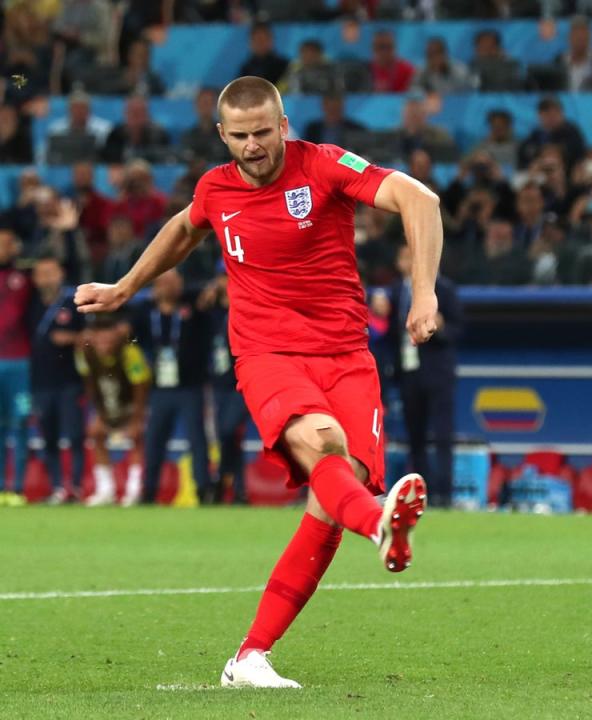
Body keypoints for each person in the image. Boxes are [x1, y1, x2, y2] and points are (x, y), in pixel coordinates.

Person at [73, 76, 439, 688]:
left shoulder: (323, 167)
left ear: (283, 123)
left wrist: (423, 291)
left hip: (347, 353)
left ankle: (249, 656)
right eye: (239, 136)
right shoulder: (216, 187)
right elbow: (184, 229)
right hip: (266, 352)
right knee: (323, 444)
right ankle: (378, 521)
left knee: (329, 500)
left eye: (263, 132)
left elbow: (420, 201)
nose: (253, 146)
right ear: (223, 134)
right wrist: (124, 288)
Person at [388, 245, 462, 508]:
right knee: (415, 437)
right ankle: (422, 496)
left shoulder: (443, 289)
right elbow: (391, 336)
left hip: (438, 373)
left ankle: (444, 495)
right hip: (409, 373)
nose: (406, 261)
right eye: (404, 256)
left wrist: (441, 328)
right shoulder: (397, 292)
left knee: (443, 435)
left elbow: (457, 330)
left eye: (411, 255)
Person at [131, 268, 212, 504]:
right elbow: (129, 330)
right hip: (159, 388)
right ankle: (149, 492)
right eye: (163, 281)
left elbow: (206, 294)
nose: (168, 286)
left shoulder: (193, 308)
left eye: (173, 281)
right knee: (154, 439)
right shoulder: (145, 312)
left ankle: (204, 489)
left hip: (190, 386)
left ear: (181, 284)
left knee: (197, 439)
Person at [75, 313, 150, 506]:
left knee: (135, 438)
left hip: (131, 403)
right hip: (107, 402)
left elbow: (140, 386)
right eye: (99, 339)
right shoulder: (84, 353)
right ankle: (105, 489)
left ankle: (134, 491)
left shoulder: (130, 353)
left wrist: (136, 419)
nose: (104, 344)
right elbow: (89, 382)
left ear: (116, 336)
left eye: (108, 339)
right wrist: (98, 411)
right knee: (95, 432)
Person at [30, 251, 86, 504]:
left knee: (75, 435)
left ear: (61, 274)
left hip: (70, 382)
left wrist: (72, 339)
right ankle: (56, 487)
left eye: (51, 272)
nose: (46, 278)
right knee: (49, 437)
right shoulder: (31, 305)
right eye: (41, 274)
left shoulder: (73, 303)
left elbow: (91, 338)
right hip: (41, 382)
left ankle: (75, 487)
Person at [202, 269, 250, 504]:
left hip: (242, 381)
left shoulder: (245, 306)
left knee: (228, 430)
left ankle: (222, 480)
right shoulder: (211, 310)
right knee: (226, 437)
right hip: (219, 383)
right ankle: (238, 489)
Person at [0, 229, 30, 507]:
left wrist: (67, 233)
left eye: (8, 243)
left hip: (19, 361)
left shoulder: (24, 278)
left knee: (19, 424)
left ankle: (18, 488)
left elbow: (62, 267)